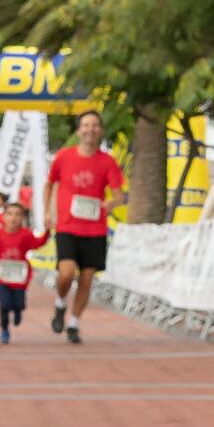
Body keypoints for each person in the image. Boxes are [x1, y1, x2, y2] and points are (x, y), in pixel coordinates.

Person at [45, 109, 125, 345]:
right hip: (67, 226)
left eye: (94, 125)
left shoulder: (107, 161)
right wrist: (47, 212)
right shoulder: (63, 157)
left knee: (87, 279)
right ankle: (60, 304)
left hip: (94, 230)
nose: (90, 129)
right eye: (86, 125)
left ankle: (73, 324)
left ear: (100, 130)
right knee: (66, 273)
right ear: (79, 130)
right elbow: (48, 184)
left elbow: (119, 195)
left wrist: (111, 203)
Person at [0, 201, 47, 346]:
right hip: (2, 278)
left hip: (19, 278)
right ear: (4, 217)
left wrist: (47, 232)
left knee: (18, 303)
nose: (13, 218)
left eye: (18, 215)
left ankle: (18, 311)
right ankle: (4, 329)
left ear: (22, 218)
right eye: (10, 214)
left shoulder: (25, 234)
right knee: (4, 304)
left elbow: (37, 244)